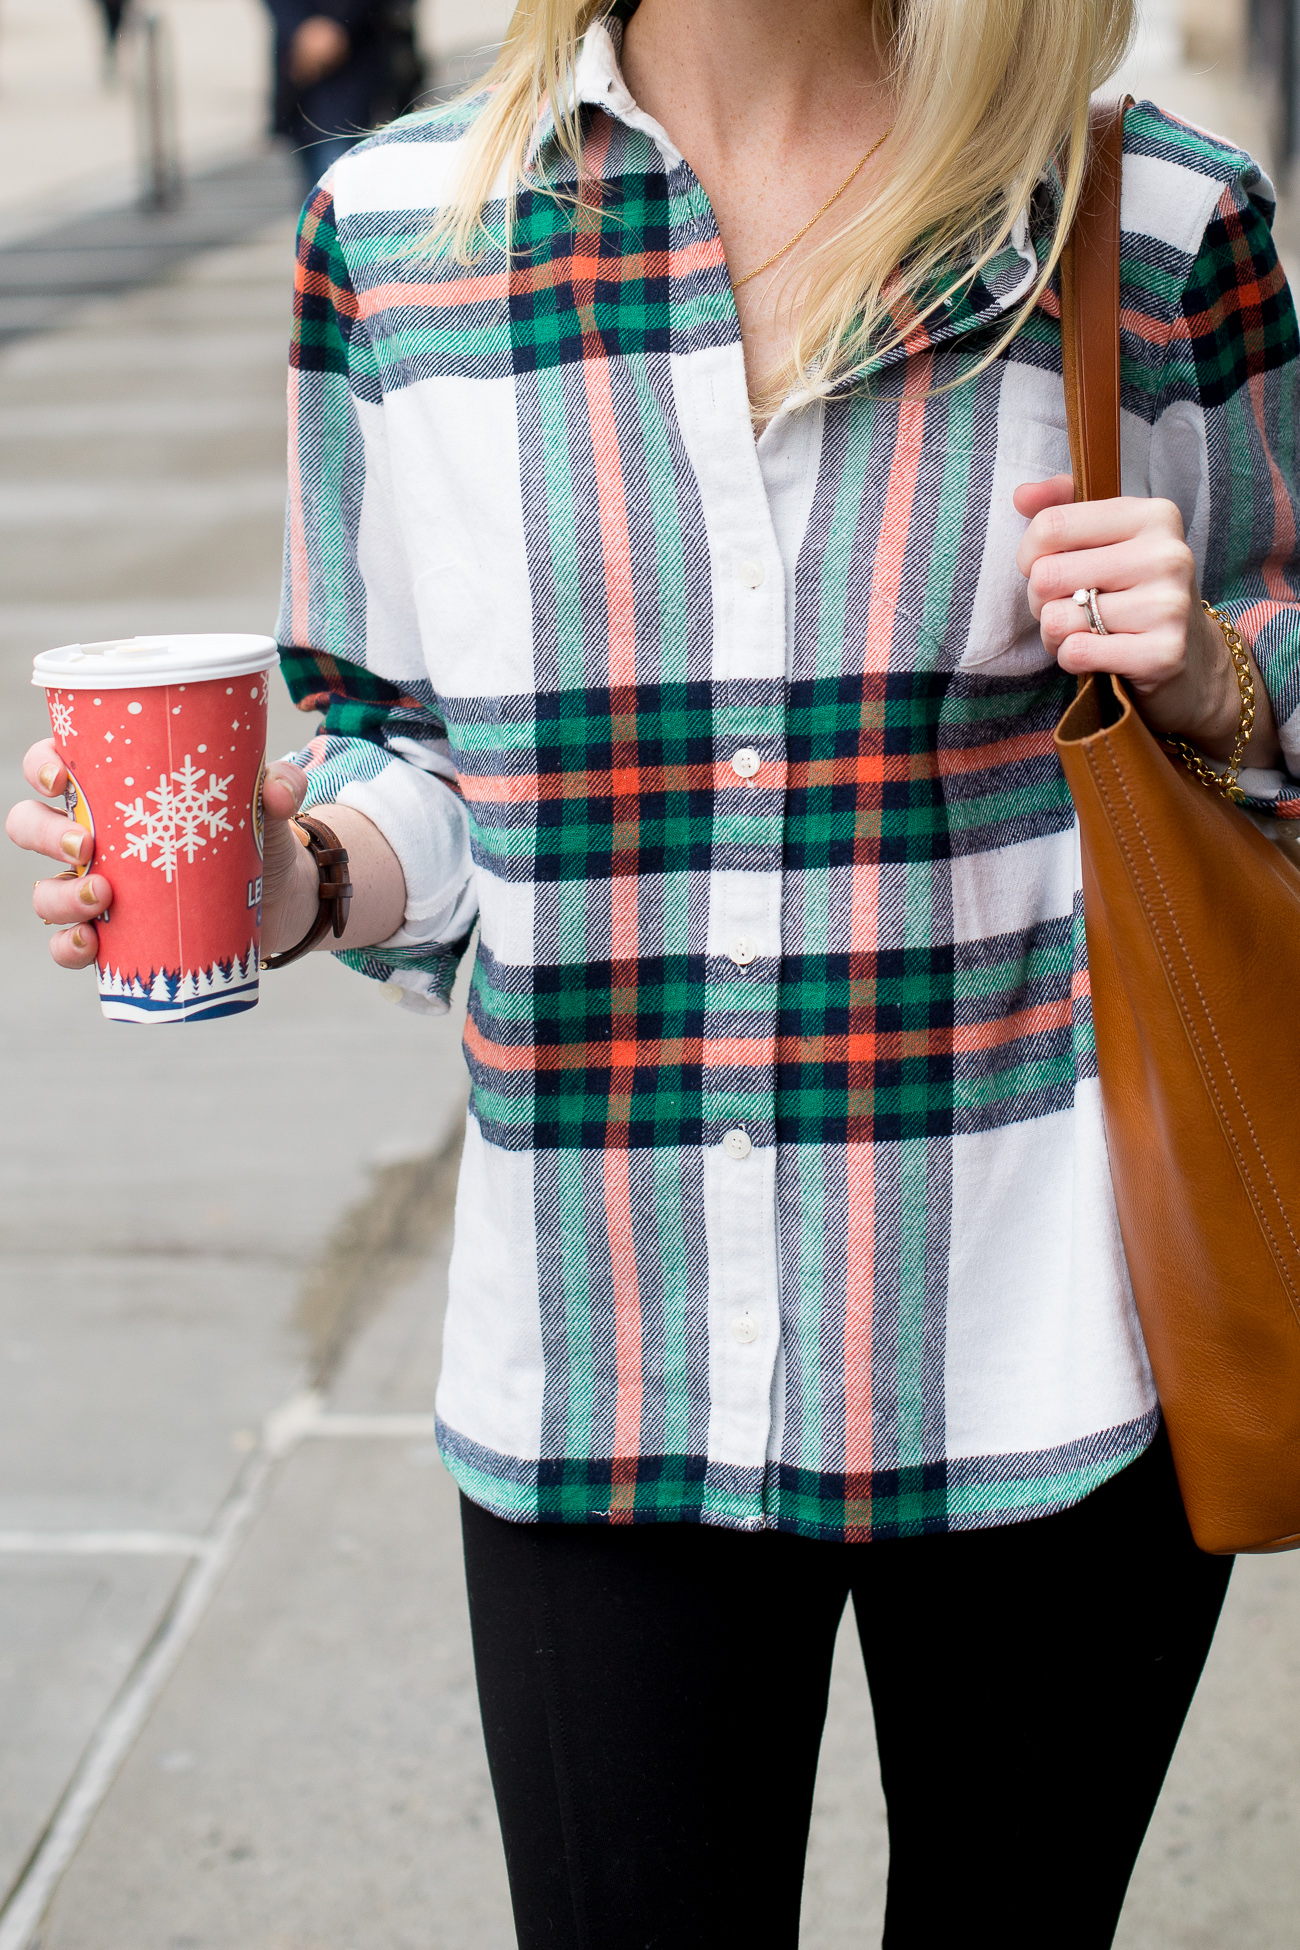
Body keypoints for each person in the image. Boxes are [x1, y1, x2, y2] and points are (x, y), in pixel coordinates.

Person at [12, 1, 1300, 1942]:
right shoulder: (396, 230)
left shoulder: (1139, 217)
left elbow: (1275, 647)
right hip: (608, 1361)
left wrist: (1217, 670)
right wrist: (290, 874)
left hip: (1055, 1332)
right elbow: (411, 759)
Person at [264, 0, 423, 192]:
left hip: (363, 65)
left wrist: (334, 26)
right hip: (302, 74)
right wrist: (303, 27)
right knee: (318, 187)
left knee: (343, 183)